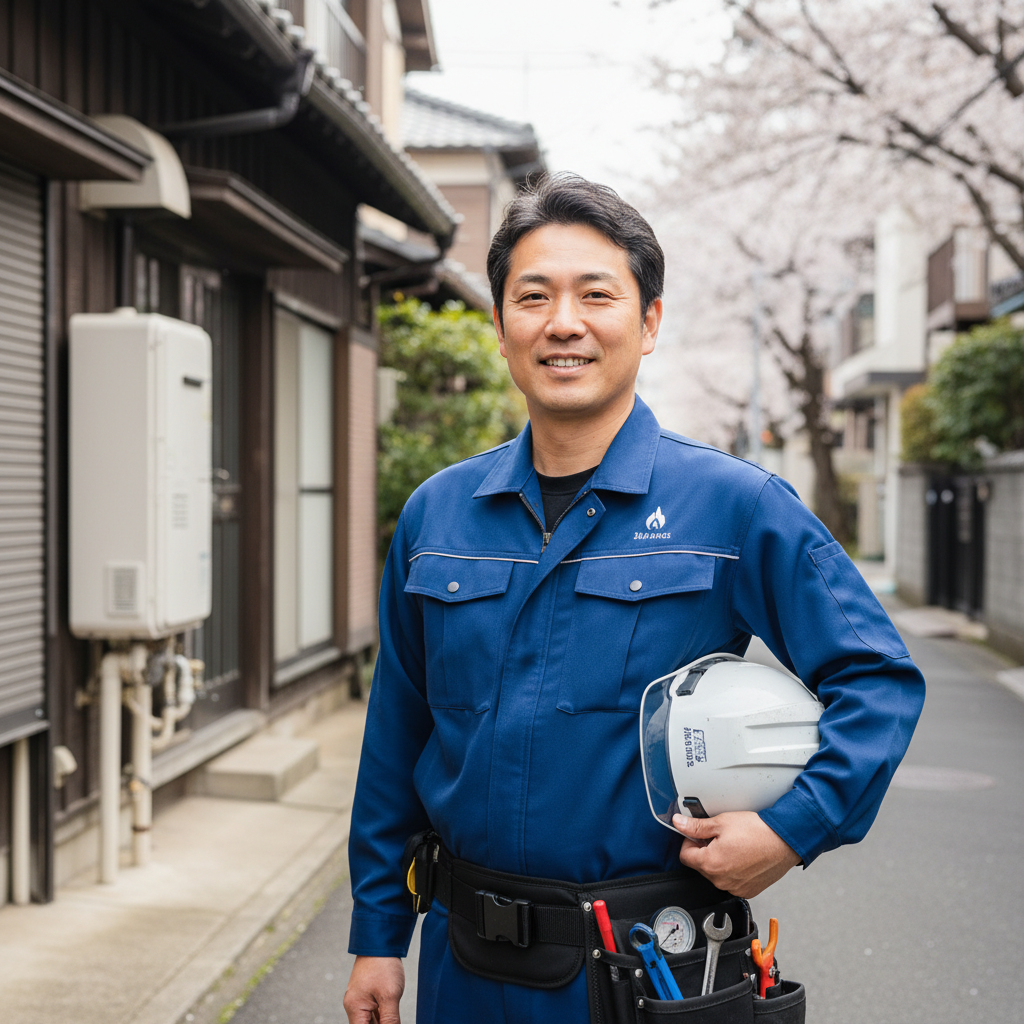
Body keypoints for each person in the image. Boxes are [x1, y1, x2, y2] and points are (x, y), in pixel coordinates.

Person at [343, 174, 925, 1024]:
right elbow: (396, 735)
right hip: (462, 967)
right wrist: (376, 933)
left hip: (651, 969)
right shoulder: (439, 514)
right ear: (500, 325)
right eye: (533, 296)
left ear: (648, 322)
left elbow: (877, 679)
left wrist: (793, 829)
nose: (563, 322)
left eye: (596, 295)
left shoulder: (734, 506)